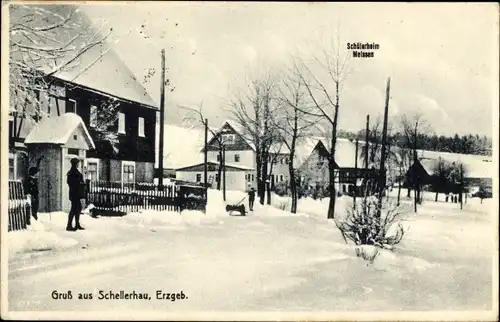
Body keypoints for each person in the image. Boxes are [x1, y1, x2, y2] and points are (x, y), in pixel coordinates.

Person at [67, 158, 86, 231]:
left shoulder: (75, 172)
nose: (78, 164)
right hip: (74, 193)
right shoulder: (72, 172)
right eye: (78, 163)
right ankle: (69, 225)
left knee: (78, 209)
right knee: (73, 209)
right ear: (75, 164)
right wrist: (80, 183)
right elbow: (71, 183)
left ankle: (77, 224)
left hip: (77, 193)